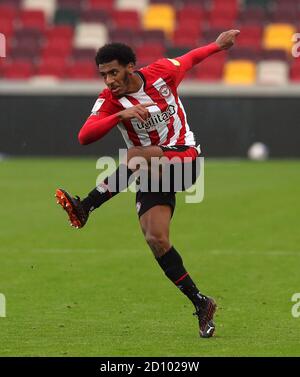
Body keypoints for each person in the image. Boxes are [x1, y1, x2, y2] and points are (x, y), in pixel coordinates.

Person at [56, 30, 240, 338]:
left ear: (130, 66)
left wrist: (218, 46)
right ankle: (201, 303)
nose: (109, 80)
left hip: (184, 158)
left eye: (113, 72)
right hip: (150, 170)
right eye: (103, 75)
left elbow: (190, 59)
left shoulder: (161, 73)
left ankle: (86, 206)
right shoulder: (109, 101)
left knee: (136, 154)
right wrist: (121, 115)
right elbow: (84, 137)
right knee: (156, 238)